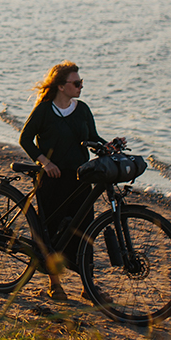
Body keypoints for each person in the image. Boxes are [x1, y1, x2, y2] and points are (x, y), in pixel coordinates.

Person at [18, 61, 125, 299]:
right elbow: (25, 139)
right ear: (61, 86)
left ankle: (88, 288)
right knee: (51, 232)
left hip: (80, 180)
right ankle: (54, 285)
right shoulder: (44, 110)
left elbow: (93, 139)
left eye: (81, 83)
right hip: (52, 179)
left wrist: (110, 146)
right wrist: (45, 162)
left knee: (85, 232)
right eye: (76, 83)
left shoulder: (83, 109)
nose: (80, 87)